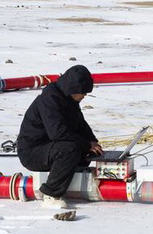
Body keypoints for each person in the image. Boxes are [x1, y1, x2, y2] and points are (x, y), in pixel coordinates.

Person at [16, 64, 103, 207]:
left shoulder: (68, 98)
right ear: (74, 88)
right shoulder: (49, 99)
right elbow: (58, 132)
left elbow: (80, 123)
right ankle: (51, 194)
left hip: (50, 146)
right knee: (70, 149)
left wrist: (92, 142)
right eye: (83, 92)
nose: (84, 96)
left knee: (83, 149)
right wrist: (86, 144)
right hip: (32, 151)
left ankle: (71, 183)